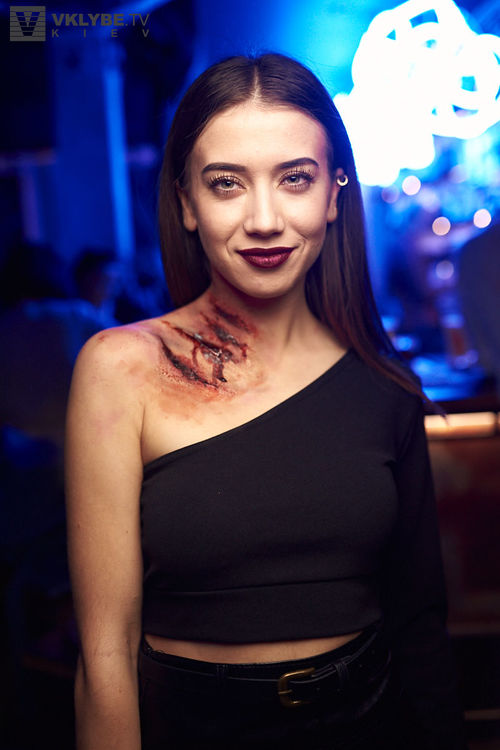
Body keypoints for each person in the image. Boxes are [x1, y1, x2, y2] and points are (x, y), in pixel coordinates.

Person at [65, 53, 466, 749]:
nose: (264, 219)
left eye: (295, 179)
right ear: (186, 204)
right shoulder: (121, 369)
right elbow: (106, 655)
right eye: (227, 184)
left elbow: (421, 631)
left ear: (334, 194)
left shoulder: (385, 384)